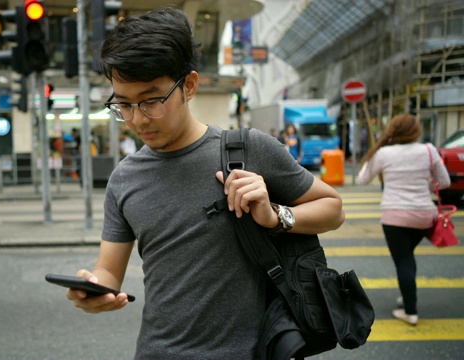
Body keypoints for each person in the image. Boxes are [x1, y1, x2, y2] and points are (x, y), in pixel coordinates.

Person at [64, 7, 345, 359]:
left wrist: (276, 216)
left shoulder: (249, 149)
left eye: (152, 101)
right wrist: (95, 290)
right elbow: (109, 270)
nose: (137, 119)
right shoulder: (124, 179)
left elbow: (333, 209)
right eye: (124, 104)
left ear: (190, 85)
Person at [357, 113, 450, 326]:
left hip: (395, 217)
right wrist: (422, 187)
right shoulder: (428, 150)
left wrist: (379, 152)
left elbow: (363, 179)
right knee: (406, 258)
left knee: (404, 261)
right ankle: (408, 294)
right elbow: (443, 181)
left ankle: (410, 311)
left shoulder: (384, 153)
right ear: (415, 131)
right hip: (425, 216)